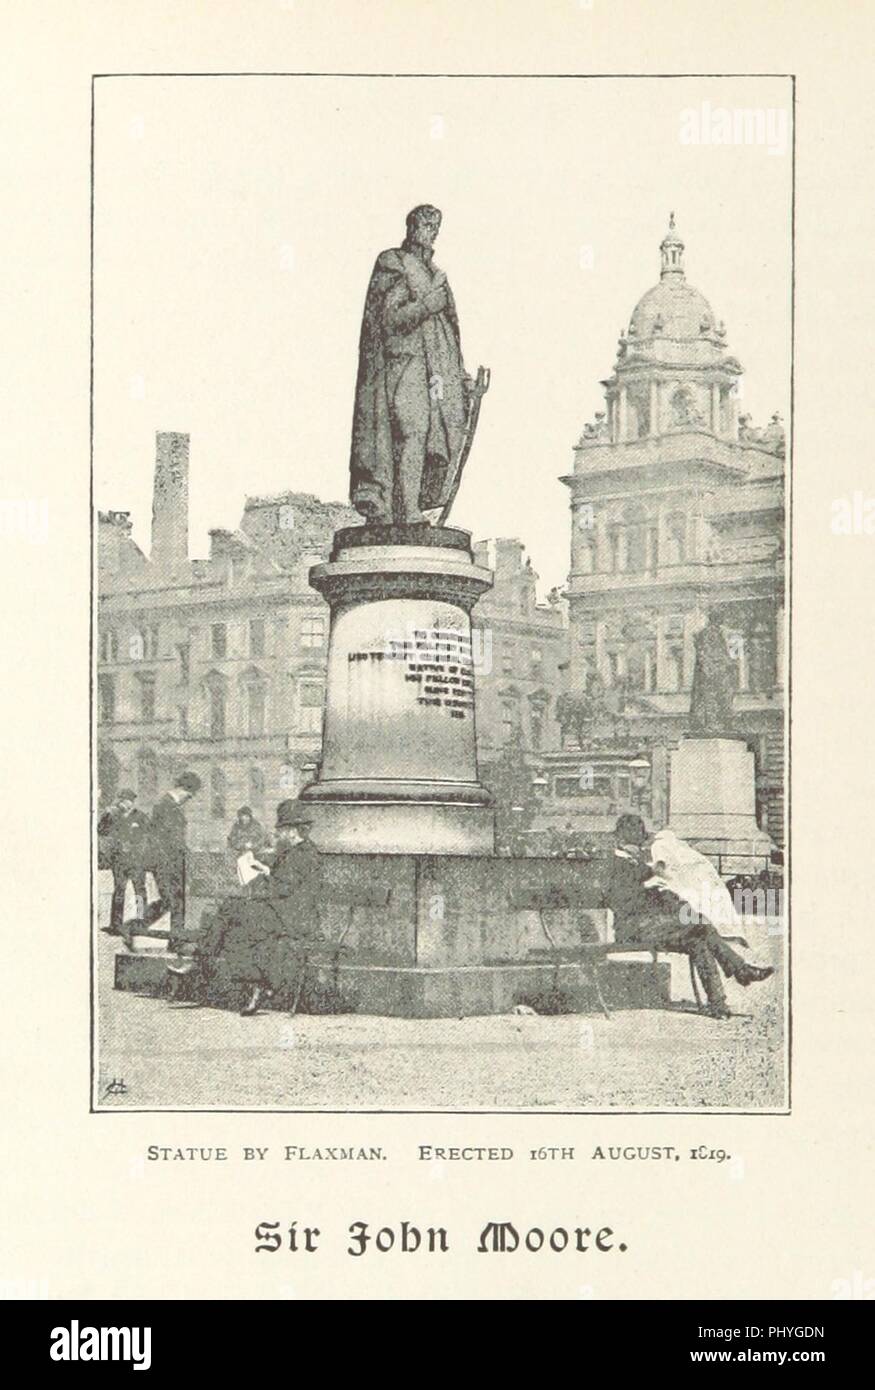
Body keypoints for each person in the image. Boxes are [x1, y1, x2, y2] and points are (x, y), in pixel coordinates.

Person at [349, 204, 475, 525]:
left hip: (437, 373)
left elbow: (450, 334)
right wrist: (428, 304)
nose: (431, 233)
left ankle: (410, 507)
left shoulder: (436, 274)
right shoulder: (394, 263)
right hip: (403, 363)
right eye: (426, 226)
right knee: (412, 432)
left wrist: (461, 377)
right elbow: (390, 319)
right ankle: (403, 511)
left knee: (435, 439)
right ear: (411, 228)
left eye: (435, 228)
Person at [604, 814, 774, 1018]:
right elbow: (622, 902)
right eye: (635, 842)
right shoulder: (614, 864)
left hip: (655, 926)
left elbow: (659, 893)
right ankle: (740, 970)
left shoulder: (638, 865)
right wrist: (648, 886)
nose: (639, 846)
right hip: (633, 928)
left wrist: (662, 889)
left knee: (698, 941)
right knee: (700, 927)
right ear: (621, 840)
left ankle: (718, 1004)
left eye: (639, 841)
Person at [170, 800, 324, 1016]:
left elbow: (283, 888)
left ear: (292, 831)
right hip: (281, 911)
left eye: (281, 830)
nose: (278, 834)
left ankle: (200, 960)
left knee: (231, 910)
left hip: (295, 917)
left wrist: (261, 876)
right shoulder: (295, 851)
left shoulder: (304, 854)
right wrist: (266, 870)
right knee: (234, 923)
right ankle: (257, 985)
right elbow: (284, 883)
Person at [146, 771, 202, 951]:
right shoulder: (164, 806)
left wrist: (186, 851)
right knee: (171, 901)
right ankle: (136, 925)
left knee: (176, 902)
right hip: (166, 862)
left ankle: (175, 941)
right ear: (182, 789)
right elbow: (162, 838)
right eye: (190, 794)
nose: (191, 798)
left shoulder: (172, 806)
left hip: (175, 861)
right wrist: (175, 856)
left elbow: (175, 838)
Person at [97, 788, 149, 942]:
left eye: (128, 800)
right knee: (119, 890)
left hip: (137, 860)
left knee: (140, 891)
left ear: (132, 802)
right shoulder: (112, 814)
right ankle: (116, 924)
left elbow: (148, 833)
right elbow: (101, 830)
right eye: (122, 800)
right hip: (119, 859)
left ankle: (141, 922)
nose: (125, 803)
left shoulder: (139, 816)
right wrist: (107, 816)